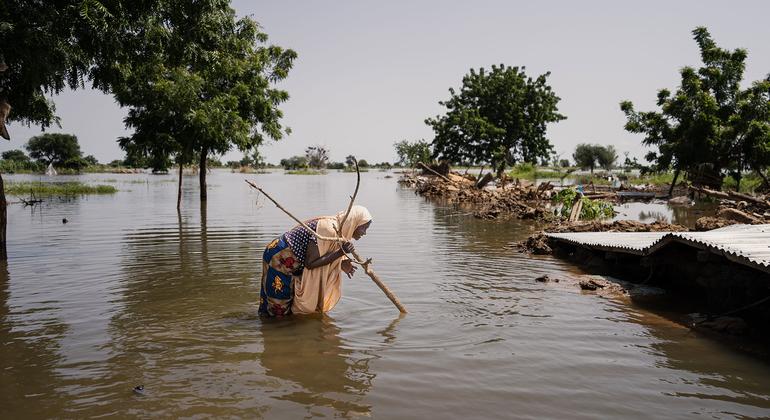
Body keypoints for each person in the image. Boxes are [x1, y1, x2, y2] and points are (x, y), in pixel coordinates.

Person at [258, 205, 372, 316]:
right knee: (278, 309)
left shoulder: (338, 232)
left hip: (290, 262)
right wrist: (340, 253)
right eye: (364, 227)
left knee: (283, 305)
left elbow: (323, 254)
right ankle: (271, 329)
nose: (364, 232)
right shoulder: (329, 228)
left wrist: (340, 263)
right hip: (279, 258)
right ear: (354, 222)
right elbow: (311, 263)